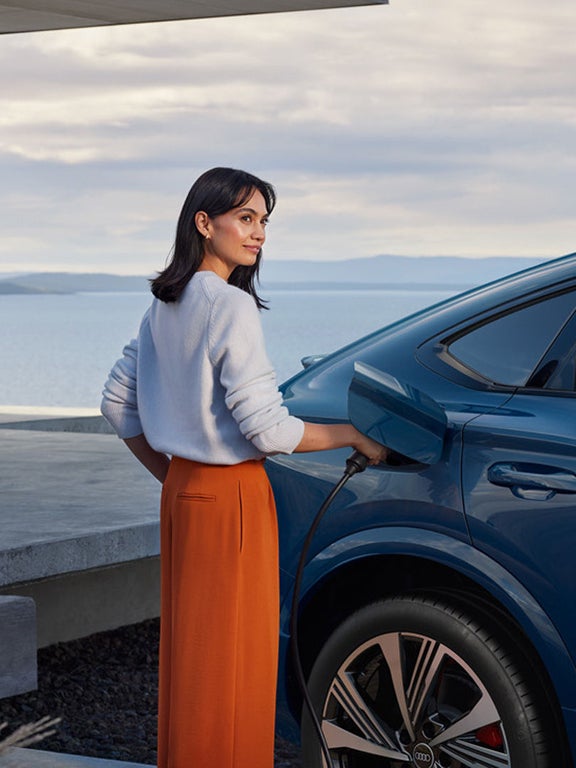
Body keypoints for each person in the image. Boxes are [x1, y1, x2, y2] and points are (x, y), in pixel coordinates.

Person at [100, 167, 386, 768]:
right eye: (245, 218)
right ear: (204, 224)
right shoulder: (228, 306)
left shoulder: (164, 304)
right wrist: (353, 433)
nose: (258, 234)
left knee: (194, 659)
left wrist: (175, 477)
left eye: (263, 221)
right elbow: (268, 428)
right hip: (231, 499)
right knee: (233, 663)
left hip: (184, 493)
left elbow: (116, 404)